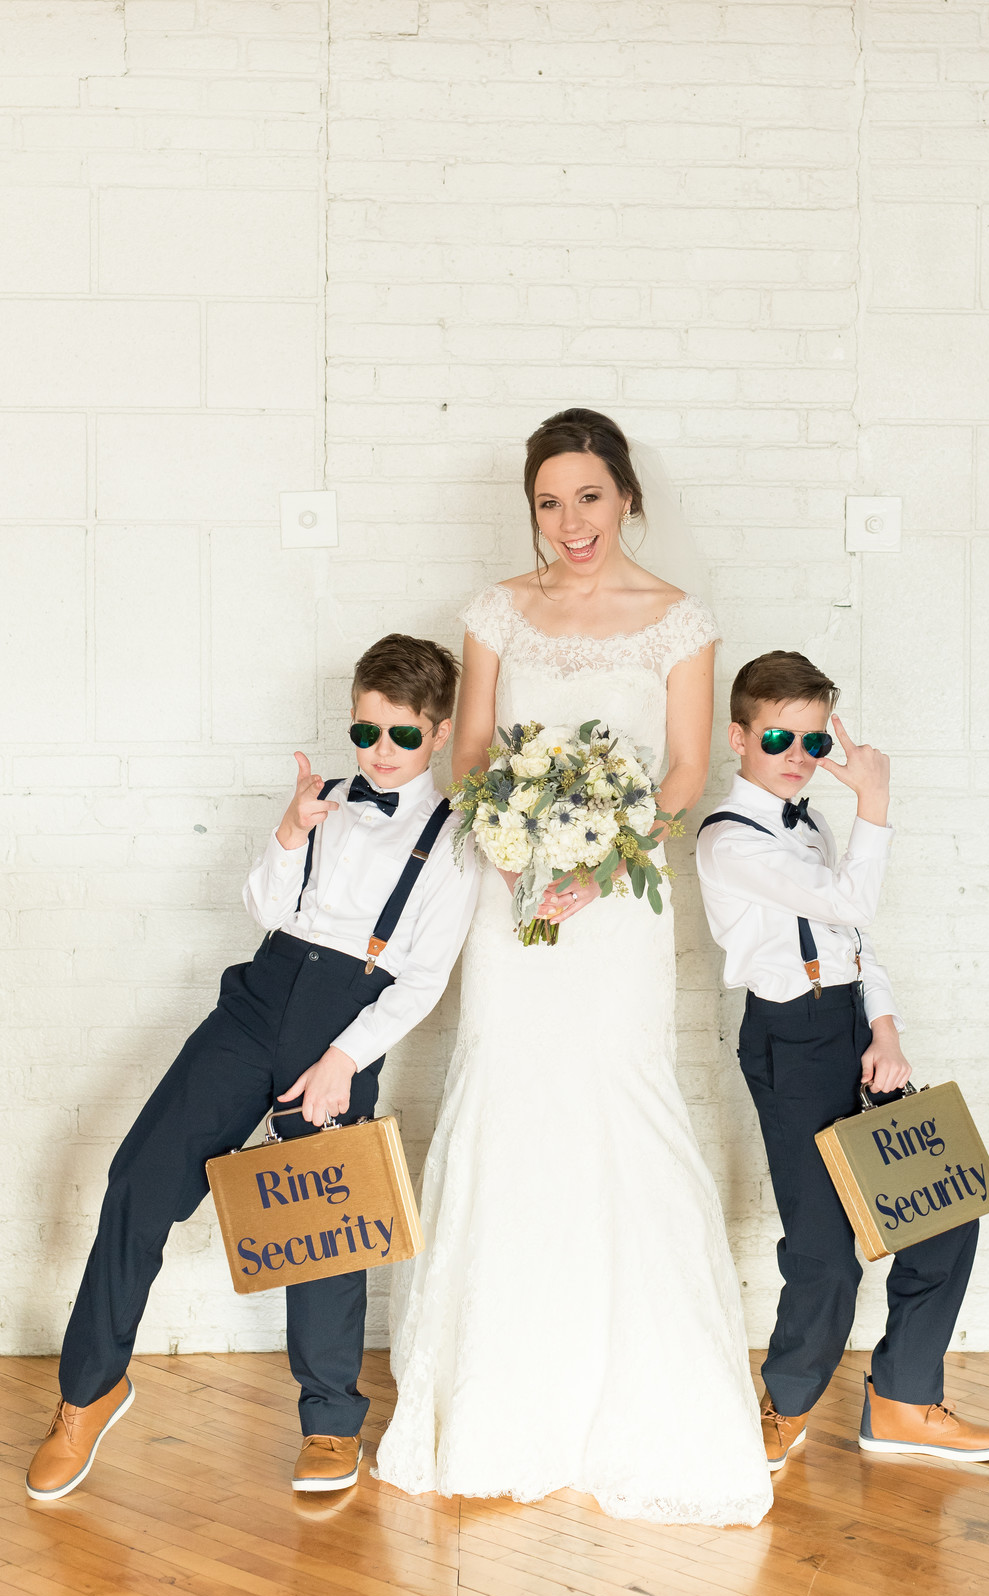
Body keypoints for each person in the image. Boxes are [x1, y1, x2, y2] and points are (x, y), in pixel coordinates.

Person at [374, 408, 773, 1527]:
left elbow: (689, 769)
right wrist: (513, 842)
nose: (569, 523)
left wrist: (602, 860)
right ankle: (497, 1391)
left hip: (617, 907)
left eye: (588, 497)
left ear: (627, 497)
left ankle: (637, 1394)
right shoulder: (496, 611)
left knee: (617, 1103)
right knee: (505, 1097)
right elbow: (470, 752)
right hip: (512, 901)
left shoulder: (679, 622)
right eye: (549, 502)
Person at [26, 635, 479, 1501]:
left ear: (440, 731)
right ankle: (89, 1393)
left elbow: (423, 978)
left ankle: (330, 1422)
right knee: (139, 1179)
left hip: (346, 1022)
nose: (379, 753)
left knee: (324, 1228)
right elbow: (265, 909)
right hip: (258, 1001)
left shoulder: (453, 841)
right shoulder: (328, 801)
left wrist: (346, 1058)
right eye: (365, 731)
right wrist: (288, 830)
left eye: (401, 737)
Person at [695, 650, 989, 1470]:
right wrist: (875, 799)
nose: (798, 758)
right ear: (737, 736)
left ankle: (904, 1399)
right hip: (792, 1041)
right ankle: (786, 1404)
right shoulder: (728, 842)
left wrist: (888, 1029)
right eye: (777, 739)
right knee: (825, 1251)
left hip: (853, 1028)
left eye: (814, 742)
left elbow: (853, 940)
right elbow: (847, 900)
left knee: (946, 1205)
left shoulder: (813, 821)